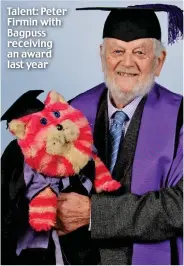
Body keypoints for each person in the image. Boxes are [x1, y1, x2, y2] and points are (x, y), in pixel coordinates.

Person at [56, 4, 183, 265]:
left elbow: (180, 207)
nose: (127, 63)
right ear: (102, 56)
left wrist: (94, 214)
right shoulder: (71, 112)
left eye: (139, 52)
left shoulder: (180, 118)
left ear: (159, 61)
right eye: (117, 51)